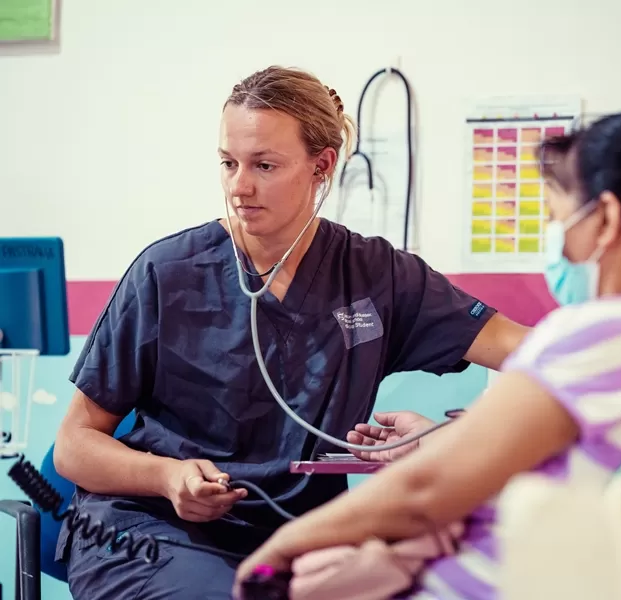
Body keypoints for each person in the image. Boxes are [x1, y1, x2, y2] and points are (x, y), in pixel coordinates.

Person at [52, 65, 529, 600]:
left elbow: (535, 357)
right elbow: (73, 444)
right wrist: (166, 477)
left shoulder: (378, 276)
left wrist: (446, 440)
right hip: (154, 531)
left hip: (304, 540)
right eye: (228, 163)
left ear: (321, 166)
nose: (239, 186)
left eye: (265, 165)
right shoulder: (167, 273)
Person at [234, 111, 621, 599]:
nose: (556, 241)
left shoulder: (599, 332)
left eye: (559, 217)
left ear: (606, 217)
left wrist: (280, 548)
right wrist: (445, 442)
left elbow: (422, 495)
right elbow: (588, 460)